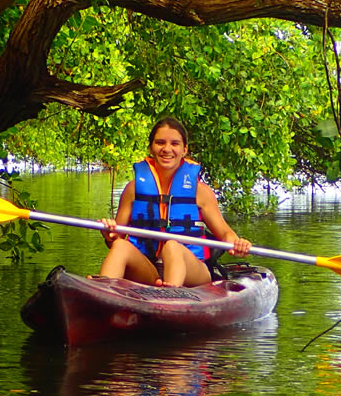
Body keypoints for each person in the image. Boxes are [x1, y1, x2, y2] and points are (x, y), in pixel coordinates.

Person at [99, 117, 251, 287]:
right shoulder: (133, 189)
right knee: (120, 246)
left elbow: (225, 233)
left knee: (172, 246)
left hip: (192, 270)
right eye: (160, 142)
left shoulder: (200, 191)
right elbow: (115, 238)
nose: (167, 149)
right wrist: (109, 235)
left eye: (175, 144)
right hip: (149, 269)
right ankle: (102, 291)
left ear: (184, 149)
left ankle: (170, 298)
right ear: (151, 147)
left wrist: (237, 243)